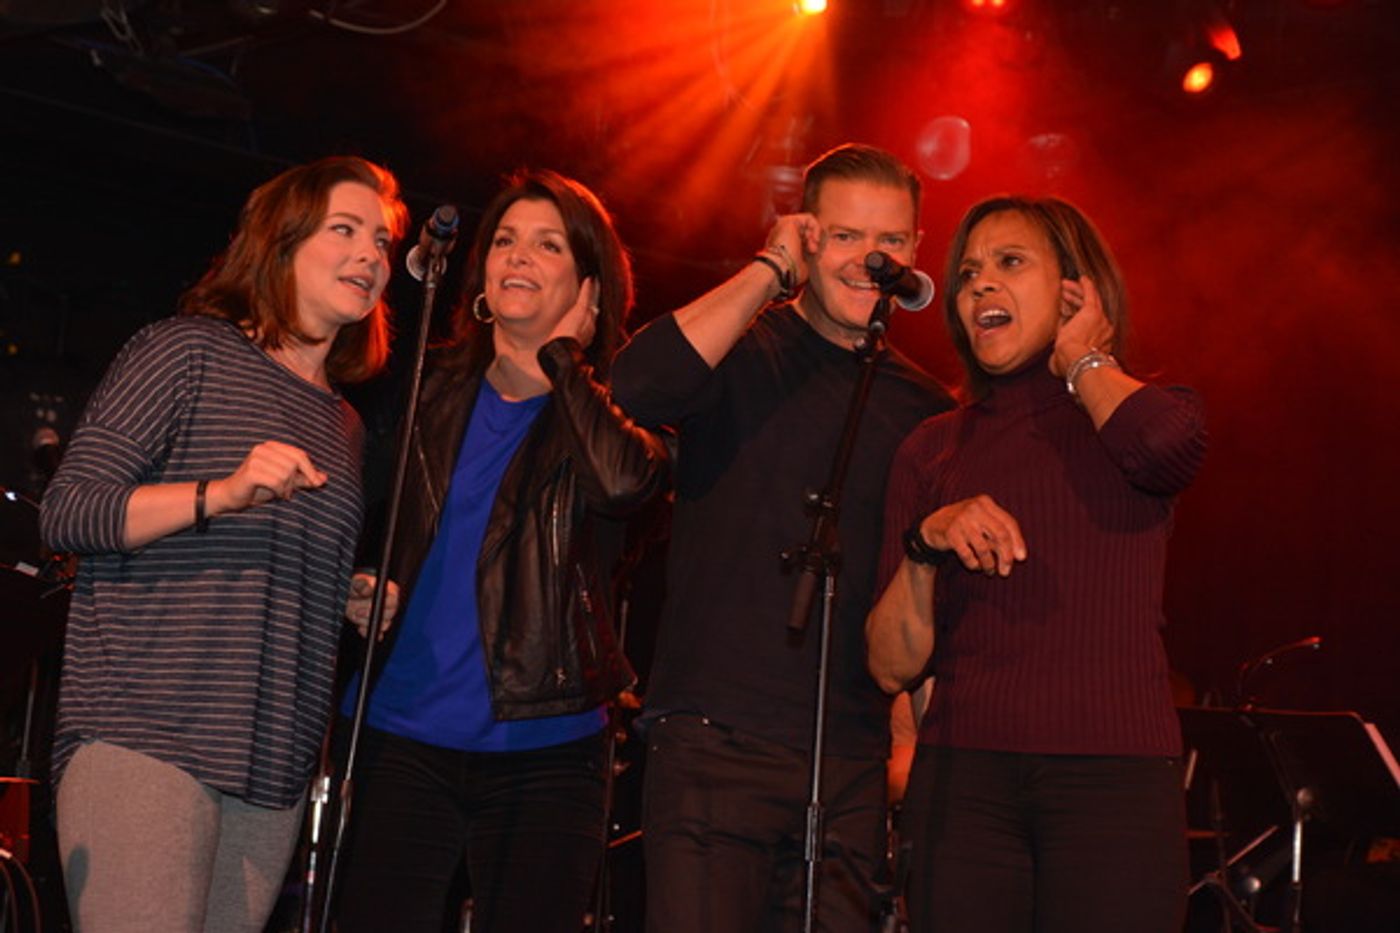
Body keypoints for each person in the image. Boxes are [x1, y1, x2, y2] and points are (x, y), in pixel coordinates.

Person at [38, 155, 409, 931]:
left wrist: (346, 591)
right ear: (281, 243)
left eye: (380, 239)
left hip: (271, 761)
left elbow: (268, 555)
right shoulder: (185, 351)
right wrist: (222, 492)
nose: (371, 255)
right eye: (344, 230)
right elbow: (69, 509)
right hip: (149, 734)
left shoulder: (342, 424)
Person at [611, 143, 954, 932]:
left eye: (890, 242)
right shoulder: (739, 350)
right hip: (711, 740)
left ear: (914, 252)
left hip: (848, 761)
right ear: (804, 238)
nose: (870, 258)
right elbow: (636, 385)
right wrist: (768, 268)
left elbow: (929, 601)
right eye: (842, 236)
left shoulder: (927, 410)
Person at [331, 169, 668, 933]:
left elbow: (622, 486)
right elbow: (368, 514)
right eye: (506, 240)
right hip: (400, 731)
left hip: (545, 747)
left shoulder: (613, 410)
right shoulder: (423, 382)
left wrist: (564, 362)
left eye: (548, 244)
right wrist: (362, 580)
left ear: (589, 284)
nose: (518, 255)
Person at [866, 195, 1208, 933]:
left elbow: (1168, 451)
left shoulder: (1136, 413)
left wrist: (1084, 358)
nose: (980, 285)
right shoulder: (931, 448)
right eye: (967, 274)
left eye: (1010, 262)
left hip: (1111, 780)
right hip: (965, 781)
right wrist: (925, 543)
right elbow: (890, 666)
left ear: (1076, 288)